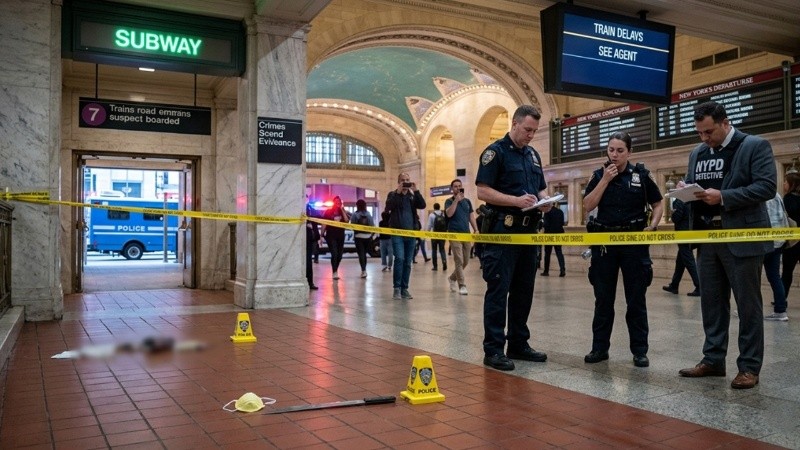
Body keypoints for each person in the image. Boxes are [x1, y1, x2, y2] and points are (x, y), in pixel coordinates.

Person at [678, 101, 776, 390]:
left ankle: (749, 366)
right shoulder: (697, 152)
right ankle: (713, 359)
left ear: (725, 123)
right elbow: (694, 185)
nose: (704, 138)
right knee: (711, 303)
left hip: (741, 236)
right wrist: (686, 191)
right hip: (708, 238)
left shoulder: (754, 146)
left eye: (709, 132)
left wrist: (723, 196)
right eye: (699, 133)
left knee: (748, 305)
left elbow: (766, 186)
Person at [475, 105, 551, 371]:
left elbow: (540, 188)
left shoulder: (533, 155)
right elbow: (483, 191)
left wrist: (545, 201)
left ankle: (518, 343)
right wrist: (516, 201)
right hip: (503, 232)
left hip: (528, 233)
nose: (531, 135)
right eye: (527, 129)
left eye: (534, 131)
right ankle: (494, 349)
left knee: (523, 290)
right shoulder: (495, 153)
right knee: (498, 290)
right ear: (515, 124)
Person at [583, 131, 663, 368]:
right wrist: (605, 181)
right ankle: (599, 348)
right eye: (611, 150)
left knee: (636, 300)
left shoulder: (641, 175)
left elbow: (658, 203)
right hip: (605, 244)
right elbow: (588, 204)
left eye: (620, 150)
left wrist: (653, 225)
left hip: (633, 243)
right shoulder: (599, 175)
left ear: (629, 152)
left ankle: (639, 351)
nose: (614, 155)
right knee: (603, 300)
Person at [386, 172, 426, 299]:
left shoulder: (412, 196)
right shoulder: (392, 194)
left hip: (411, 233)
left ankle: (404, 288)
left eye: (407, 180)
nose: (405, 182)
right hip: (397, 233)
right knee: (399, 259)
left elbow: (423, 205)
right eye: (403, 180)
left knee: (408, 262)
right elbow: (388, 207)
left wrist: (417, 191)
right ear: (399, 182)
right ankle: (397, 288)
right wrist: (398, 193)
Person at [445, 179, 478, 295]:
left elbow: (471, 216)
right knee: (458, 260)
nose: (458, 188)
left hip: (466, 234)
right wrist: (456, 201)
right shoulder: (449, 201)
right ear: (452, 188)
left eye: (459, 186)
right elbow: (449, 214)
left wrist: (476, 229)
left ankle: (452, 278)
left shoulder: (467, 201)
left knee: (466, 261)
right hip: (454, 234)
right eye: (455, 186)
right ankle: (462, 285)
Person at [662, 198, 701, 296]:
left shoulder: (679, 201)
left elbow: (676, 218)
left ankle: (699, 286)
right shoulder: (690, 200)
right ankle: (674, 285)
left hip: (683, 234)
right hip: (689, 233)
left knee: (689, 261)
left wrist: (672, 214)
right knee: (680, 262)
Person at [763, 193, 789, 321]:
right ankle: (780, 310)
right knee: (775, 276)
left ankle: (748, 309)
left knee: (751, 276)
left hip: (765, 241)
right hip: (779, 240)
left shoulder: (762, 196)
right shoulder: (777, 195)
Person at [780, 171, 800, 305]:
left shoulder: (787, 199)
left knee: (787, 272)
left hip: (793, 240)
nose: (783, 184)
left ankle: (782, 299)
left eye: (786, 182)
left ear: (791, 184)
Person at [320, 196, 349, 280]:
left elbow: (347, 221)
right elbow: (324, 224)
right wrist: (321, 235)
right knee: (334, 253)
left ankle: (336, 269)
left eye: (339, 202)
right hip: (331, 235)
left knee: (339, 255)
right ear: (333, 203)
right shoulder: (328, 212)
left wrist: (342, 209)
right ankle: (334, 271)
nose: (337, 204)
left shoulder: (342, 212)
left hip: (340, 235)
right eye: (336, 202)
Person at [349, 199, 374, 279]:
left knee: (361, 254)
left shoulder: (355, 214)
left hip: (358, 237)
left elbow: (352, 225)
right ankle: (364, 270)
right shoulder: (368, 214)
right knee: (364, 254)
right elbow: (372, 225)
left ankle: (363, 270)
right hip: (367, 237)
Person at [540, 202, 566, 277]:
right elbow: (562, 223)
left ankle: (546, 271)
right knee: (559, 252)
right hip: (558, 234)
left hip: (549, 235)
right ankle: (562, 270)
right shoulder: (560, 212)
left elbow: (546, 224)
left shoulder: (547, 212)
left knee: (547, 253)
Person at [305, 202, 320, 290]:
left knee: (309, 262)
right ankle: (309, 282)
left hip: (310, 241)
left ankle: (310, 282)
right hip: (304, 240)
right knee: (307, 262)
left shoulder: (312, 214)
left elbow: (319, 218)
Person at [428, 203, 448, 271]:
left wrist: (427, 233)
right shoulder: (443, 214)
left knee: (434, 250)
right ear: (439, 207)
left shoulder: (431, 215)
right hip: (442, 235)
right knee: (442, 249)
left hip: (434, 235)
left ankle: (435, 266)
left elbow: (429, 225)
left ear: (434, 207)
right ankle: (444, 262)